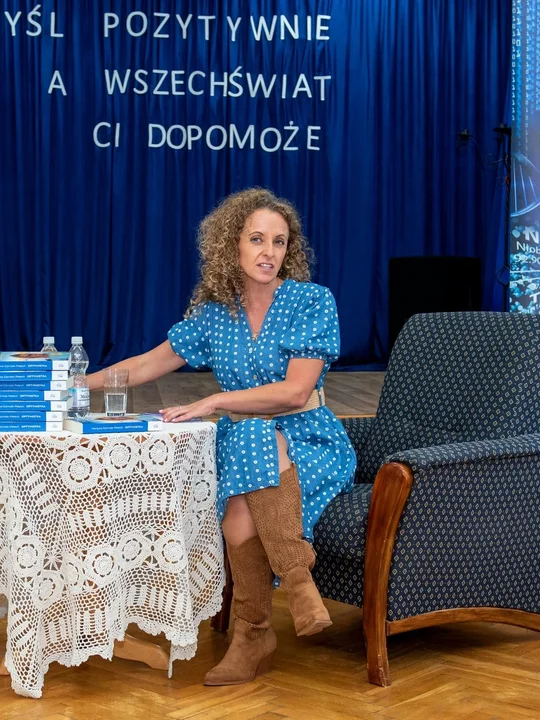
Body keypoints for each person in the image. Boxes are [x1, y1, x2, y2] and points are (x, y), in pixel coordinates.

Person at [88, 188, 356, 687]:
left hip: (310, 439)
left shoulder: (312, 301)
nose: (268, 252)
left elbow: (296, 392)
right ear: (232, 244)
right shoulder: (216, 313)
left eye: (279, 241)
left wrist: (215, 400)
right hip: (249, 443)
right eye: (256, 239)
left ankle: (259, 626)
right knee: (246, 469)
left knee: (244, 473)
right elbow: (147, 364)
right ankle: (290, 593)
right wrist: (79, 384)